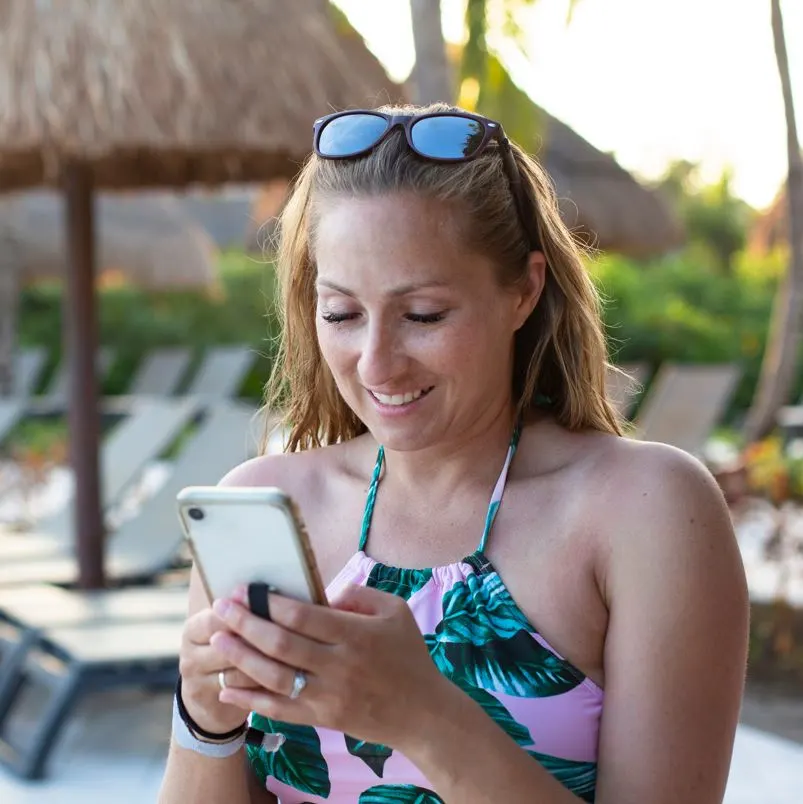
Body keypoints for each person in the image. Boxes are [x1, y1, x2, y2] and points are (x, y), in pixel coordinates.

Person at [158, 104, 749, 804]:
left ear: (523, 291)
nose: (376, 364)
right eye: (341, 313)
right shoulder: (272, 503)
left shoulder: (643, 512)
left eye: (423, 315)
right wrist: (205, 722)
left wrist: (420, 715)